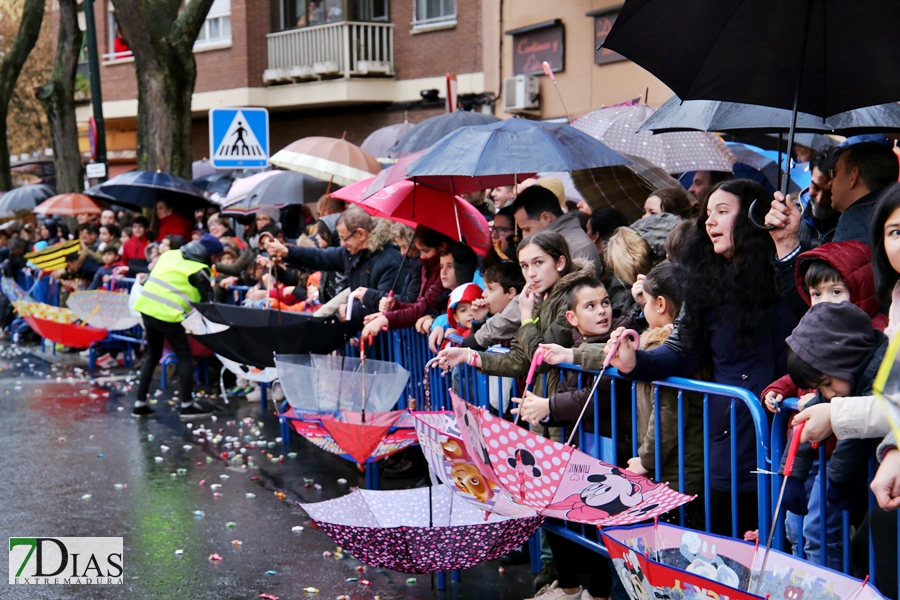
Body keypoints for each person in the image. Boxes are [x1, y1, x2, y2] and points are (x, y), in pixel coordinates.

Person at [597, 179, 799, 537]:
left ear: (754, 217)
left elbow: (807, 320)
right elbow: (680, 351)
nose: (709, 222)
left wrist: (787, 249)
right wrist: (634, 363)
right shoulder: (706, 284)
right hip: (731, 448)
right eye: (707, 213)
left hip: (794, 448)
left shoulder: (790, 268)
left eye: (722, 212)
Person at [513, 277, 626, 600]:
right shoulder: (571, 346)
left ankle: (598, 592)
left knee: (604, 526)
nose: (602, 311)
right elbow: (569, 392)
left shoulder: (621, 337)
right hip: (587, 448)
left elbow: (599, 395)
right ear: (573, 318)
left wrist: (548, 406)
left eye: (604, 302)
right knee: (556, 510)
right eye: (590, 306)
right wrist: (544, 411)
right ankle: (569, 586)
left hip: (616, 448)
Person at [626, 262, 705, 527]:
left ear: (660, 305)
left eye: (645, 303)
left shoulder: (664, 351)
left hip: (675, 472)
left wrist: (647, 461)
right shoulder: (679, 344)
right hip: (678, 467)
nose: (642, 307)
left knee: (668, 551)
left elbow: (667, 417)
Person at [131, 234, 224, 420]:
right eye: (216, 258)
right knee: (184, 355)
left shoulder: (170, 254)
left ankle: (139, 403)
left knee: (153, 354)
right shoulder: (200, 269)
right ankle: (187, 405)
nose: (216, 262)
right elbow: (208, 300)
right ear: (211, 255)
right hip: (167, 314)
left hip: (146, 308)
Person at [263, 208, 401, 327]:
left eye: (345, 238)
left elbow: (385, 302)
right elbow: (319, 256)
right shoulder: (351, 254)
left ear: (361, 234)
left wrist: (351, 310)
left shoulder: (390, 260)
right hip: (365, 332)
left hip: (388, 340)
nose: (342, 244)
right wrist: (287, 252)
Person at [359, 226, 454, 339]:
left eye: (425, 251)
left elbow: (422, 307)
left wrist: (386, 319)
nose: (421, 256)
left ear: (442, 246)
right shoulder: (426, 264)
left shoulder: (438, 270)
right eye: (420, 251)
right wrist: (395, 306)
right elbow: (419, 305)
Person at [512, 185, 601, 277]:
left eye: (527, 229)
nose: (525, 236)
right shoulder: (567, 243)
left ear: (546, 218)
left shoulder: (574, 247)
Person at [462, 261, 524, 349]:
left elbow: (470, 345)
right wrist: (479, 321)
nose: (483, 294)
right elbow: (475, 351)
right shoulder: (494, 320)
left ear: (511, 293)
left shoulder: (519, 324)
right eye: (485, 288)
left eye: (490, 289)